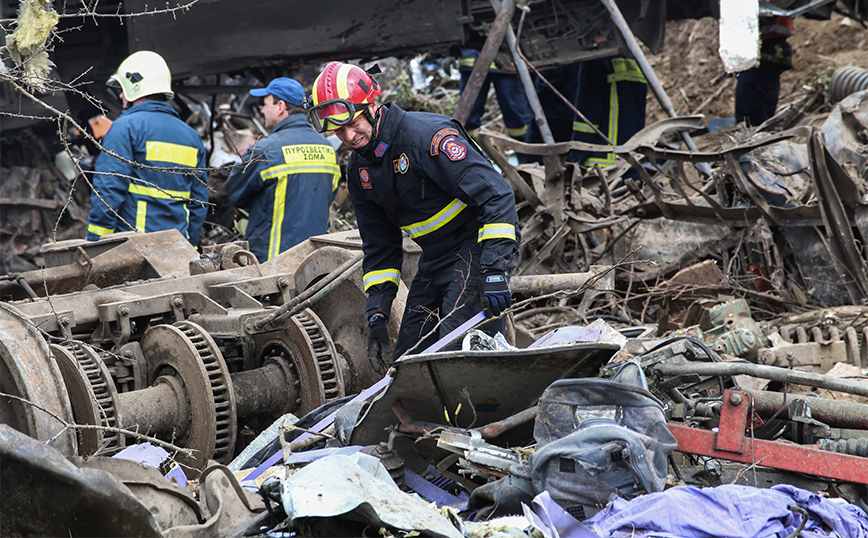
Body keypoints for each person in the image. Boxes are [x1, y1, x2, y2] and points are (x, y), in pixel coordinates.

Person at [306, 61, 520, 364]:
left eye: (354, 124)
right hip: (435, 257)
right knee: (409, 359)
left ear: (373, 106)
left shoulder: (426, 138)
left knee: (456, 350)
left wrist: (495, 270)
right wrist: (378, 314)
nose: (350, 136)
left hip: (477, 247)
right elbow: (380, 246)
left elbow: (496, 196)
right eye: (339, 130)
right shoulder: (359, 170)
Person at [87, 50, 208, 246]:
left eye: (123, 89)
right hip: (177, 248)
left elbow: (109, 189)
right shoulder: (191, 137)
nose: (120, 95)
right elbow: (199, 202)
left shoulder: (125, 128)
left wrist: (95, 242)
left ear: (134, 87)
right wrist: (190, 247)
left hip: (134, 248)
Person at [225, 77, 339, 262]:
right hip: (313, 263)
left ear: (280, 106)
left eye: (265, 103)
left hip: (271, 263)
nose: (262, 110)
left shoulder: (265, 151)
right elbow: (328, 197)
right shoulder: (328, 149)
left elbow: (235, 193)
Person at [569, 54, 648, 166]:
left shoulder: (595, 61)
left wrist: (577, 155)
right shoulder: (634, 59)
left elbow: (588, 111)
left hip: (603, 163)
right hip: (632, 156)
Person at [458, 48, 531, 141]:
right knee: (468, 114)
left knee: (515, 112)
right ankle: (469, 148)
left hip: (506, 65)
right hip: (473, 64)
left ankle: (523, 147)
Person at [734, 15, 794, 126]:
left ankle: (754, 126)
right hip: (775, 49)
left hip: (763, 47)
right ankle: (763, 124)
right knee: (767, 89)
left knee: (752, 91)